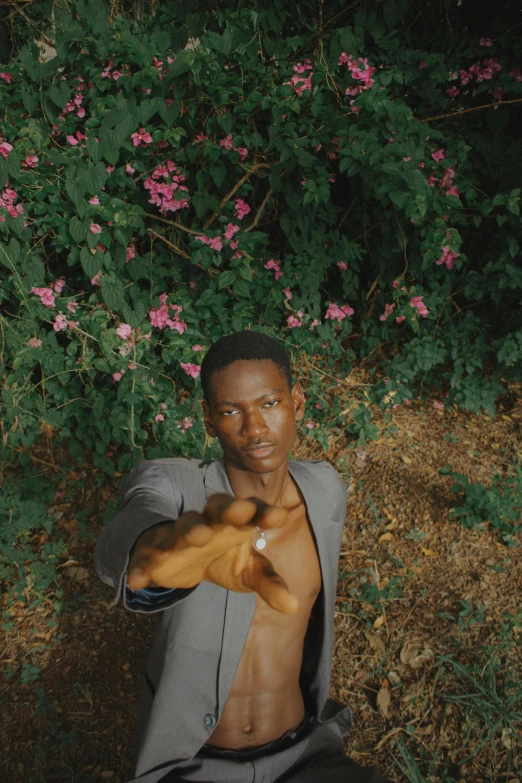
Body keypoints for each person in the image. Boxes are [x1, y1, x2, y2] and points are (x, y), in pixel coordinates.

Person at [94, 331, 393, 783]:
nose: (254, 428)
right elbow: (128, 535)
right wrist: (172, 552)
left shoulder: (326, 491)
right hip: (195, 764)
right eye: (231, 411)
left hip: (305, 753)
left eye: (269, 404)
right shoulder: (175, 487)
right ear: (209, 420)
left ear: (297, 401)